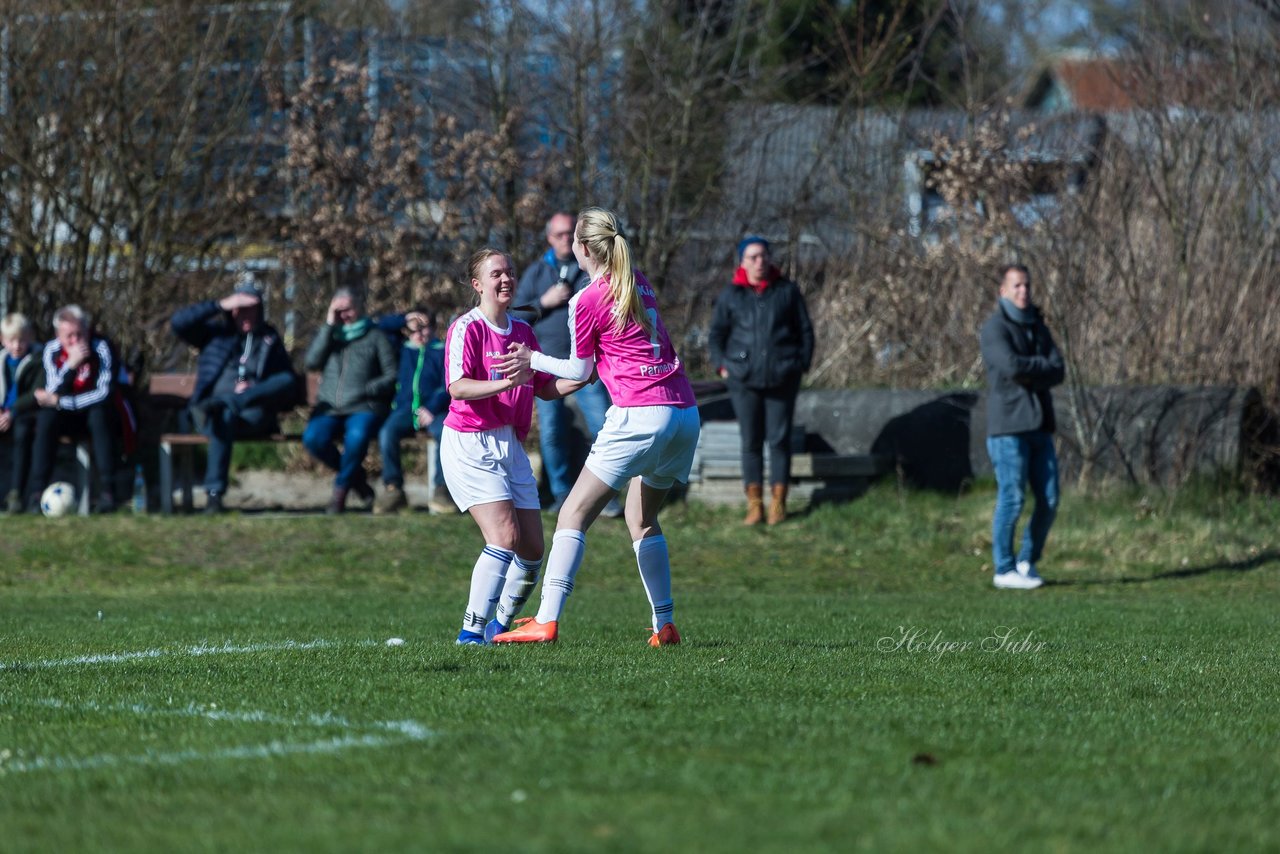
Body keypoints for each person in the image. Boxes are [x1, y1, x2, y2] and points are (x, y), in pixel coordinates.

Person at [492, 206, 701, 647]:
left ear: (581, 248)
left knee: (572, 512)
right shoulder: (638, 280)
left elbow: (579, 364)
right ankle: (664, 624)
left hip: (639, 413)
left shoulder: (585, 298)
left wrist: (533, 361)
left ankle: (545, 621)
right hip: (683, 411)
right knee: (641, 517)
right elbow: (590, 371)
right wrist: (549, 386)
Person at [440, 249, 585, 645]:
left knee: (533, 549)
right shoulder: (466, 328)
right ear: (477, 284)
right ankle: (470, 633)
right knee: (503, 537)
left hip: (510, 443)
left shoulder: (522, 332)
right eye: (496, 274)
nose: (506, 280)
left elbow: (543, 387)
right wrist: (507, 382)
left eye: (510, 273)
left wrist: (584, 376)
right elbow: (457, 387)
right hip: (470, 442)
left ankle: (498, 627)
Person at [514, 212, 622, 517]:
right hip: (549, 365)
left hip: (589, 366)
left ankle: (605, 496)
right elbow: (516, 315)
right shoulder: (536, 273)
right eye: (559, 234)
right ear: (549, 237)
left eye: (569, 234)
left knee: (604, 426)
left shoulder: (588, 268)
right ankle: (562, 493)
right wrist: (544, 302)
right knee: (551, 431)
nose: (565, 239)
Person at [708, 235, 814, 526]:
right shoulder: (732, 295)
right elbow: (716, 335)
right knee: (751, 441)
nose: (759, 262)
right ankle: (755, 504)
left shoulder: (787, 291)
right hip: (743, 379)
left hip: (782, 377)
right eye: (753, 257)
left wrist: (800, 365)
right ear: (742, 262)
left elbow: (805, 331)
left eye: (763, 256)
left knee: (779, 440)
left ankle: (778, 502)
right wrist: (722, 367)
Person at [170, 275, 299, 514]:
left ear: (260, 311)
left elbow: (286, 382)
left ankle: (230, 402)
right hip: (211, 416)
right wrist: (218, 305)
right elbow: (178, 323)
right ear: (232, 311)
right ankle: (214, 497)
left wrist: (249, 392)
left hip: (253, 414)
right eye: (241, 310)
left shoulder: (269, 338)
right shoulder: (215, 335)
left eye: (252, 310)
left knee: (281, 381)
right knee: (223, 416)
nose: (246, 315)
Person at [980, 263, 1064, 590]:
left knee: (1050, 498)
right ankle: (1003, 568)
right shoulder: (994, 329)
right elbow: (1012, 366)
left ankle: (1027, 561)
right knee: (1012, 497)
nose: (1023, 291)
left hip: (1040, 425)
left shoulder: (1039, 327)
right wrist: (1038, 369)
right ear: (1002, 291)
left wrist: (1036, 370)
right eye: (1016, 286)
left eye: (1027, 285)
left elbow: (1058, 369)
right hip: (1008, 428)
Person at [303, 287, 397, 514]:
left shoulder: (375, 336)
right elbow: (312, 363)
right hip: (330, 408)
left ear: (359, 308)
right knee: (313, 438)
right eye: (339, 310)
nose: (344, 314)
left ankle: (340, 491)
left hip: (364, 406)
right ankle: (358, 481)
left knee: (357, 437)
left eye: (349, 309)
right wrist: (328, 325)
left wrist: (368, 389)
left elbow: (392, 374)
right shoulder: (330, 335)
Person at [26, 305, 122, 513]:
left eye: (80, 334)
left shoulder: (102, 348)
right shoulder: (51, 350)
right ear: (58, 335)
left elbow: (104, 394)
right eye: (69, 336)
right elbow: (53, 390)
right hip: (65, 417)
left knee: (100, 416)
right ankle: (36, 493)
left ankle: (108, 493)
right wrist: (70, 366)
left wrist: (62, 402)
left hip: (94, 414)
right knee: (46, 419)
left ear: (87, 331)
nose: (75, 341)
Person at [372, 308, 450, 515]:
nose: (420, 335)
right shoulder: (403, 349)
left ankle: (442, 490)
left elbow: (448, 385)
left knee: (445, 432)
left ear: (433, 329)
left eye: (425, 329)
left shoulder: (443, 351)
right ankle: (394, 489)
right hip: (406, 409)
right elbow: (378, 325)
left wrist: (432, 408)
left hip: (436, 410)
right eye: (415, 330)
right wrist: (404, 319)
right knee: (387, 432)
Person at [1, 313, 43, 513]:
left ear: (29, 338)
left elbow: (35, 392)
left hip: (25, 414)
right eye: (12, 340)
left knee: (22, 434)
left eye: (22, 340)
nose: (17, 345)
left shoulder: (39, 359)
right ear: (3, 340)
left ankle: (16, 493)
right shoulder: (1, 361)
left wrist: (12, 413)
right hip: (3, 415)